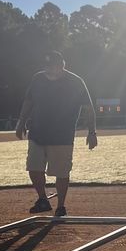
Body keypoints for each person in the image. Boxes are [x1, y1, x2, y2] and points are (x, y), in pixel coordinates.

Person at [15, 51, 98, 216]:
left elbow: (89, 109)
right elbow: (28, 101)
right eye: (47, 66)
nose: (49, 70)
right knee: (33, 167)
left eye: (52, 66)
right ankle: (43, 199)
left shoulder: (75, 82)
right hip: (38, 133)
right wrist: (21, 122)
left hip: (62, 136)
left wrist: (92, 132)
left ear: (62, 65)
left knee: (61, 172)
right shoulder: (38, 79)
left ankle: (61, 206)